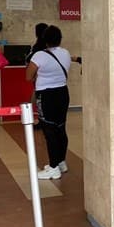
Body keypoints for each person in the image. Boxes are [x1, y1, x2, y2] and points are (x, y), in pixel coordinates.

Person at [27, 25, 72, 180]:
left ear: (45, 40)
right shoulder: (65, 53)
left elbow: (28, 76)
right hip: (63, 93)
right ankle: (60, 162)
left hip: (46, 96)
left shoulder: (39, 56)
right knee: (61, 128)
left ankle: (53, 168)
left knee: (49, 131)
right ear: (60, 39)